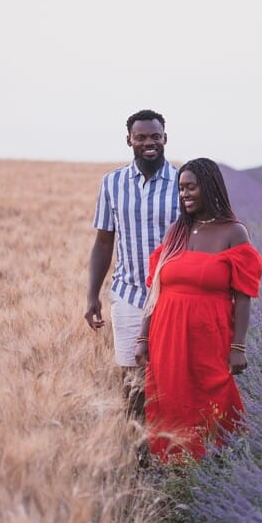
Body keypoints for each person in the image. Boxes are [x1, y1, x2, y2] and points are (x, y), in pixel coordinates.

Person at [134, 157, 262, 463]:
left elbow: (243, 297)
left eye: (191, 187)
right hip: (166, 333)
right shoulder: (176, 232)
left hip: (210, 335)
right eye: (181, 189)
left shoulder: (233, 232)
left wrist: (238, 347)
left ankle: (216, 466)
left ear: (209, 187)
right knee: (170, 399)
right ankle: (174, 467)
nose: (185, 194)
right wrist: (143, 337)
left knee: (211, 397)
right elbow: (156, 289)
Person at [84, 109, 182, 420]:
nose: (149, 142)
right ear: (129, 140)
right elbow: (103, 243)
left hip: (175, 296)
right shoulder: (112, 183)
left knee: (173, 375)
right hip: (129, 294)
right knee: (132, 379)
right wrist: (92, 296)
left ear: (165, 138)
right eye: (141, 137)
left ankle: (173, 448)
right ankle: (139, 449)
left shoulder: (183, 182)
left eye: (155, 136)